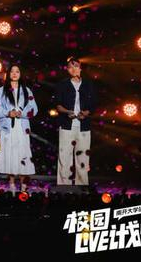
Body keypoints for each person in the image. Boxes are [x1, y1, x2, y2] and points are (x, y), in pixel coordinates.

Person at [0, 64, 38, 193]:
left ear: (21, 74)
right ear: (8, 74)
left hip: (22, 127)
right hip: (7, 128)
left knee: (23, 154)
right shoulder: (2, 91)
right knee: (9, 155)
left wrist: (22, 113)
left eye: (17, 71)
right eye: (12, 71)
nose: (14, 74)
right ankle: (11, 184)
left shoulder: (27, 91)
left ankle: (23, 185)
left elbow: (34, 109)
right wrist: (8, 113)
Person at [54, 57, 97, 186]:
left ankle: (82, 186)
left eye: (76, 66)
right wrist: (68, 112)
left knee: (83, 158)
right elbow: (58, 105)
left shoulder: (88, 84)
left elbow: (94, 104)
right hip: (67, 125)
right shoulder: (62, 84)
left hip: (84, 126)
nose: (73, 69)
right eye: (70, 67)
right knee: (64, 158)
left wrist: (86, 112)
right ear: (67, 70)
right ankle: (64, 186)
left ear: (80, 68)